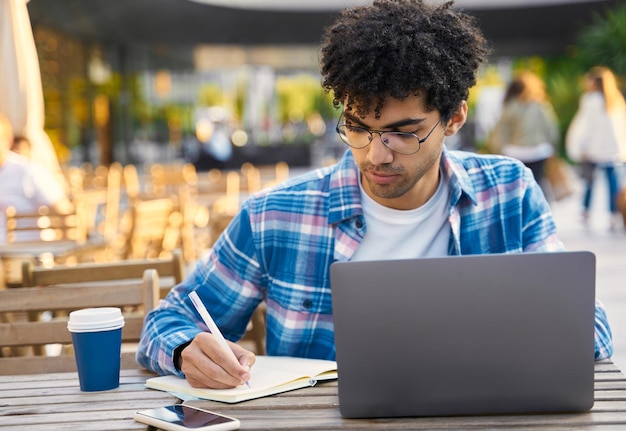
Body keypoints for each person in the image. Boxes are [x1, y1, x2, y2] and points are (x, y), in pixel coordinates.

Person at [137, 0, 613, 389]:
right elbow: (167, 321)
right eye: (359, 128)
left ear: (454, 119)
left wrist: (542, 336)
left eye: (403, 133)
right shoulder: (275, 216)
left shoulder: (508, 192)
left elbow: (591, 327)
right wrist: (185, 350)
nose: (375, 155)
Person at [566, 66, 626, 229]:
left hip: (594, 150)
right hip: (613, 151)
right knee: (613, 183)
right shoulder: (617, 100)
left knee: (589, 182)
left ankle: (586, 211)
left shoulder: (590, 100)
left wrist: (580, 147)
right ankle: (613, 215)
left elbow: (584, 127)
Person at [0, 113, 73, 243]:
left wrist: (66, 257)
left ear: (8, 140)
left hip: (28, 256)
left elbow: (65, 213)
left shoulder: (28, 170)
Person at [488, 70, 559, 196]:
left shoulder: (510, 107)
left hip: (516, 152)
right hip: (538, 151)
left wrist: (498, 150)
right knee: (538, 183)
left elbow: (501, 133)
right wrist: (553, 147)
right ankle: (540, 211)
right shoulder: (540, 105)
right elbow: (551, 128)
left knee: (517, 187)